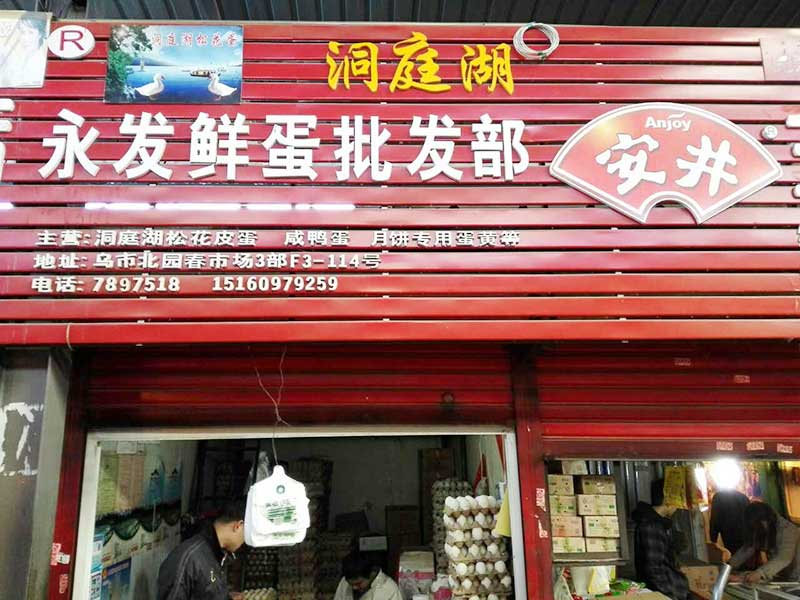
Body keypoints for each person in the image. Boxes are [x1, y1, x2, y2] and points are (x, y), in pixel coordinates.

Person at [157, 500, 247, 600]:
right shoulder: (190, 558)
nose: (244, 542)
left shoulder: (217, 554)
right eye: (246, 536)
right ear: (238, 526)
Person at [632, 479, 689, 600]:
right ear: (668, 499)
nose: (679, 505)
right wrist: (669, 595)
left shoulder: (658, 524)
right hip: (666, 594)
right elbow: (654, 567)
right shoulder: (652, 526)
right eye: (678, 499)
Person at [729, 501, 800, 584]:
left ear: (766, 520)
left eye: (756, 524)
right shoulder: (764, 528)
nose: (755, 528)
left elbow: (784, 558)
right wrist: (728, 566)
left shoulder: (788, 530)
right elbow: (748, 548)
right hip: (786, 576)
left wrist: (759, 573)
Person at [333, 552, 402, 600]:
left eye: (358, 583)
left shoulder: (390, 590)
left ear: (372, 574)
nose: (354, 588)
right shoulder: (345, 581)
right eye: (351, 584)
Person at [710, 489, 750, 555]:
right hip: (745, 536)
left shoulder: (718, 497)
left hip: (729, 536)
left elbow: (715, 519)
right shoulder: (743, 497)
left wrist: (713, 539)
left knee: (733, 555)